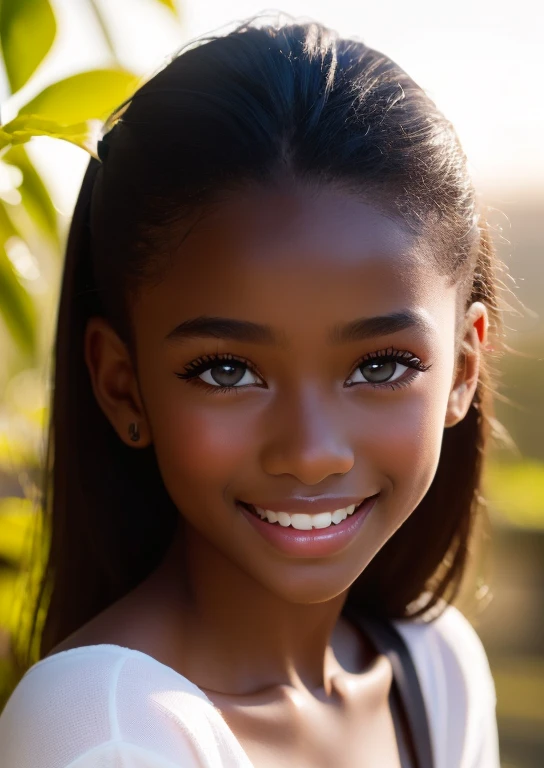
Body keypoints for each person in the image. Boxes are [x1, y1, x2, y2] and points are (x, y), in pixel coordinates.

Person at [0, 13, 502, 767]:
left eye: (381, 365)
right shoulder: (98, 725)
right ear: (122, 386)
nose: (311, 454)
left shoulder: (437, 670)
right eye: (228, 370)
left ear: (464, 368)